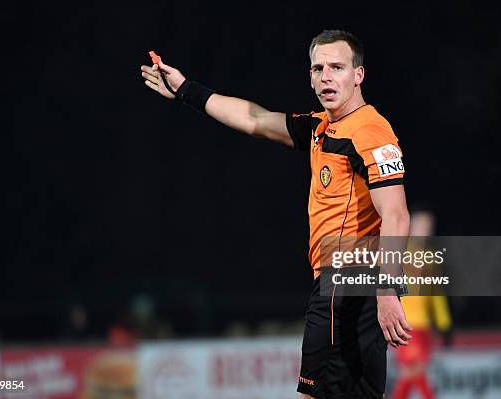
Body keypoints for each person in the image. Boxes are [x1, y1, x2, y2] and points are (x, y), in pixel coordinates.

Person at [140, 29, 411, 399]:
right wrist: (187, 89)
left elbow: (396, 215)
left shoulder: (370, 132)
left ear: (358, 75)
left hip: (347, 283)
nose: (326, 76)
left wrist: (387, 289)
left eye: (337, 67)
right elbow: (257, 119)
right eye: (318, 68)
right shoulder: (323, 128)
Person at [391, 209, 452, 399]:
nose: (425, 231)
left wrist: (444, 323)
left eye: (428, 227)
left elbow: (436, 293)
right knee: (415, 371)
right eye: (421, 226)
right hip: (406, 323)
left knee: (415, 372)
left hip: (424, 325)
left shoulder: (431, 257)